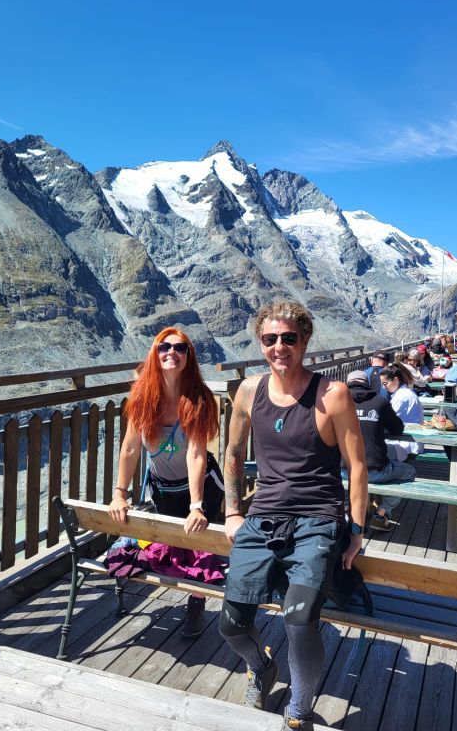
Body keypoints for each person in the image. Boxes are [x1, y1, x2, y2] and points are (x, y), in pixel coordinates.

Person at [219, 301, 367, 731]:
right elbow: (231, 453)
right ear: (260, 343)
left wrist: (355, 530)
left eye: (289, 338)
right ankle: (261, 668)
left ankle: (299, 708)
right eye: (270, 339)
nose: (279, 347)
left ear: (305, 341)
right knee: (231, 624)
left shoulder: (331, 394)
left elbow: (356, 466)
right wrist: (231, 510)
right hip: (263, 515)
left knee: (299, 619)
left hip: (318, 519)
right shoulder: (248, 391)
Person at [108, 327, 224, 638]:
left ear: (189, 356)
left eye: (180, 347)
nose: (171, 352)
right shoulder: (143, 398)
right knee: (172, 546)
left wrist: (196, 506)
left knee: (198, 547)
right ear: (155, 354)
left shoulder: (199, 400)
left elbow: (197, 454)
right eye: (164, 346)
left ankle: (196, 603)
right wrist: (120, 494)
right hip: (162, 487)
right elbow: (131, 447)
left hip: (200, 487)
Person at [345, 370, 414, 532]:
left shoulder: (339, 402)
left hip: (344, 470)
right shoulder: (380, 401)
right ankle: (381, 513)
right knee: (409, 472)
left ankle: (347, 511)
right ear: (367, 383)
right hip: (375, 471)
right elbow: (397, 429)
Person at [379, 363, 424, 463]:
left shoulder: (401, 397)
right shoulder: (405, 392)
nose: (383, 387)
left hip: (407, 441)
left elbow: (391, 422)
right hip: (411, 438)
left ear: (395, 380)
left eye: (385, 383)